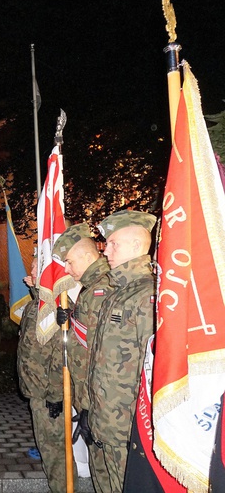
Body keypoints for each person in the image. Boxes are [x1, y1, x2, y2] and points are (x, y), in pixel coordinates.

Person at [85, 210, 156, 493]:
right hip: (109, 419)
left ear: (137, 247)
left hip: (130, 424)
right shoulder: (119, 291)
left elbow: (153, 367)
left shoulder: (147, 294)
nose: (106, 251)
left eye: (114, 244)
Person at [51, 222, 112, 484]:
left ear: (87, 257)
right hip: (92, 395)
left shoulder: (102, 288)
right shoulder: (90, 289)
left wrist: (88, 405)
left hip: (100, 398)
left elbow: (99, 353)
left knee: (107, 473)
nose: (66, 269)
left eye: (69, 262)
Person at [17, 259, 74, 493]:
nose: (29, 272)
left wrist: (55, 394)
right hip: (36, 389)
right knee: (48, 450)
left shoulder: (57, 305)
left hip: (47, 393)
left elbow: (61, 353)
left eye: (35, 268)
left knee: (55, 453)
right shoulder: (38, 303)